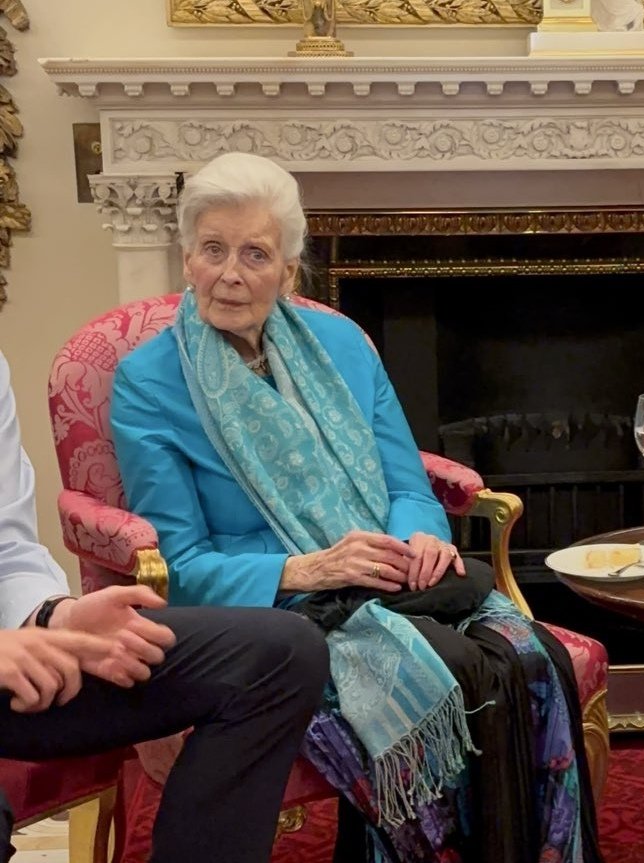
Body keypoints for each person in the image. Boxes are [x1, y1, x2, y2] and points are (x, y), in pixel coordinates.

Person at [110, 151, 604, 863]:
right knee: (431, 678)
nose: (231, 273)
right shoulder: (148, 383)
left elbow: (406, 483)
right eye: (213, 249)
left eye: (256, 253)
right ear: (186, 257)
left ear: (288, 268)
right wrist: (307, 567)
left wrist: (422, 538)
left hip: (389, 580)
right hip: (275, 615)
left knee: (530, 657)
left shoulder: (342, 344)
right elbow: (179, 565)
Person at [0, 349, 330, 863]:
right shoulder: (153, 375)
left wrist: (56, 617)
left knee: (282, 652)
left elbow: (8, 548)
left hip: (19, 665)